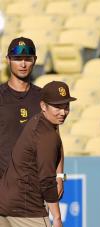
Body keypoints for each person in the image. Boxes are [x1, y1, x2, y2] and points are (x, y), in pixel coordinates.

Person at [0, 81, 76, 227]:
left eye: (66, 106)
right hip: (26, 208)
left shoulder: (36, 121)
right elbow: (47, 181)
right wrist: (58, 218)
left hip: (4, 203)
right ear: (43, 106)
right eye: (57, 106)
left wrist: (60, 176)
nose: (63, 112)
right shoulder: (46, 135)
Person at [0, 37, 64, 197]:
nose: (23, 64)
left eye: (27, 59)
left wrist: (59, 176)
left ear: (34, 60)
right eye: (17, 59)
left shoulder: (44, 97)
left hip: (35, 189)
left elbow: (55, 141)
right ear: (8, 60)